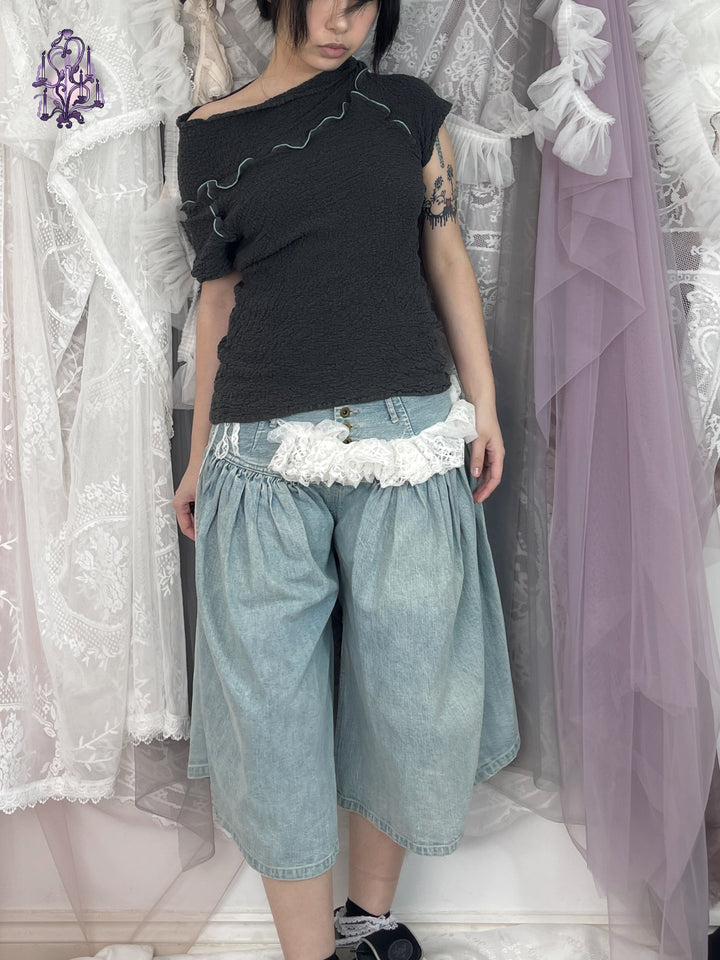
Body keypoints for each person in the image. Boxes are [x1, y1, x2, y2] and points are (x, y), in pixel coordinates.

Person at [172, 0, 520, 957]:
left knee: (411, 695)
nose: (342, 19)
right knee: (270, 716)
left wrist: (483, 406)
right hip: (261, 458)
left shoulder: (407, 112)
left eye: (364, 1)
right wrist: (199, 455)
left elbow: (445, 254)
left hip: (409, 444)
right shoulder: (207, 137)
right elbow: (216, 304)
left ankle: (368, 925)